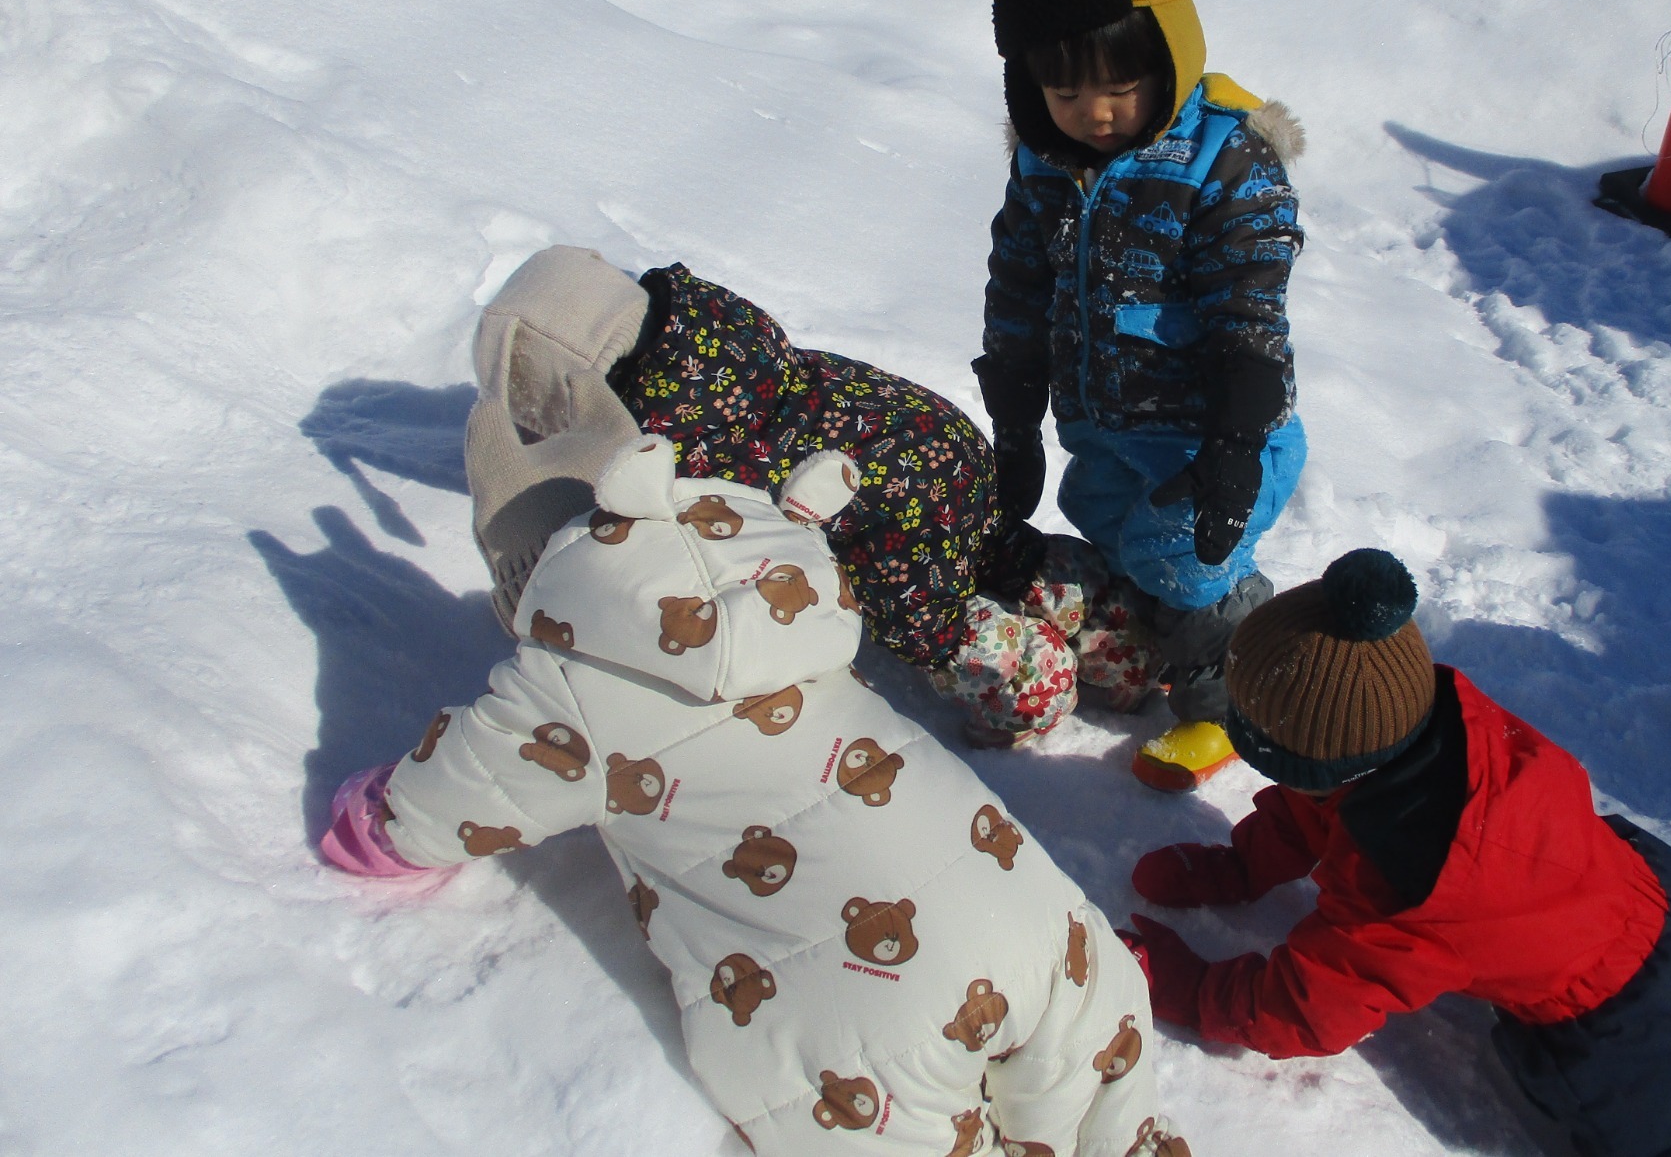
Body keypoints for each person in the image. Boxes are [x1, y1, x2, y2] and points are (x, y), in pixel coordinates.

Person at [324, 432, 1181, 1157]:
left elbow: (452, 797)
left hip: (875, 1003)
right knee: (1105, 1110)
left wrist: (374, 823)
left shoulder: (568, 692)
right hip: (1042, 919)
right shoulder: (788, 596)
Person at [1122, 549, 1671, 1157]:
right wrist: (1234, 868)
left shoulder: (1408, 890)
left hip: (1620, 1020)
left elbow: (1304, 1009)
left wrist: (1189, 983)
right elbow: (1319, 809)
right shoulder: (1427, 723)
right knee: (1605, 925)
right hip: (1649, 890)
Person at [469, 245, 1149, 741]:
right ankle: (1125, 632)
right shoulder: (710, 337)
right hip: (934, 441)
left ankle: (1032, 687)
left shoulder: (672, 434)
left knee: (926, 617)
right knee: (991, 544)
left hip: (890, 505)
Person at [975, 0, 1306, 790]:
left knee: (1179, 553)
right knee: (1115, 530)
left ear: (1171, 55)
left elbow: (1249, 318)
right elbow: (1018, 289)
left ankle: (1230, 704)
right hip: (1109, 433)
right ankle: (1180, 644)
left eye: (1122, 86)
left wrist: (1232, 450)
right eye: (1066, 94)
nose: (1097, 114)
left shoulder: (1225, 162)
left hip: (1217, 437)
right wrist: (1015, 423)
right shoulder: (1047, 170)